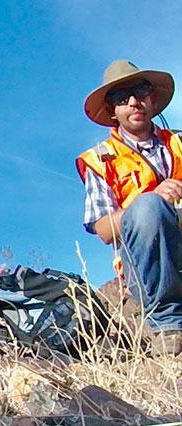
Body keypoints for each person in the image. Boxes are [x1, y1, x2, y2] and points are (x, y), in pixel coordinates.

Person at [76, 60, 182, 352]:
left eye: (140, 91)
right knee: (148, 207)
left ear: (153, 98)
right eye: (121, 98)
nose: (133, 102)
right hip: (146, 265)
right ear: (113, 111)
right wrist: (153, 200)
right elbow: (104, 229)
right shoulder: (100, 159)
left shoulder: (179, 142)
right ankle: (168, 324)